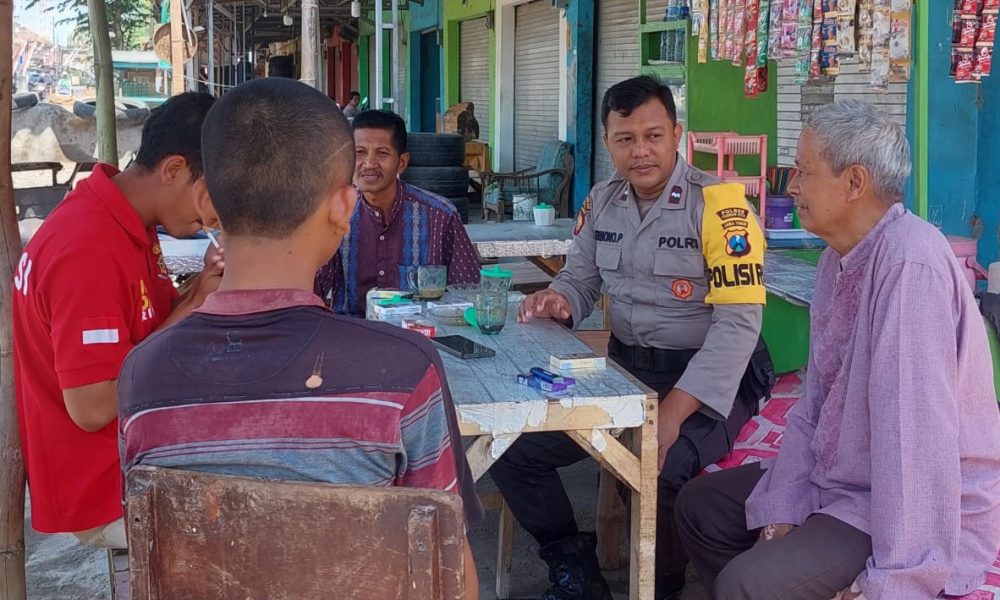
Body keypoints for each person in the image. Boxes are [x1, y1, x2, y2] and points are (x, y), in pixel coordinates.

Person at [117, 79, 483, 595]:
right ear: (344, 207)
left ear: (206, 202)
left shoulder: (142, 374)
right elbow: (449, 574)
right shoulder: (405, 372)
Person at [675, 100, 1000, 600]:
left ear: (854, 182)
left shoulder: (909, 266)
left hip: (900, 501)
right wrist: (784, 504)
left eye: (804, 172)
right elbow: (815, 400)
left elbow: (915, 440)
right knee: (701, 507)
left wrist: (896, 579)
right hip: (840, 474)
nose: (792, 186)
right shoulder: (837, 258)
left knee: (747, 583)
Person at [488, 75, 774, 600]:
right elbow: (579, 281)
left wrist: (674, 412)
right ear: (608, 143)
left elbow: (738, 326)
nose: (640, 151)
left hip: (711, 380)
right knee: (511, 449)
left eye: (653, 136)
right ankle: (574, 567)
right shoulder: (601, 201)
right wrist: (558, 300)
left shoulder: (722, 207)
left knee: (660, 466)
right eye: (625, 139)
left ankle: (661, 586)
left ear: (676, 135)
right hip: (626, 373)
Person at [12, 92, 221, 549]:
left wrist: (196, 293)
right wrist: (190, 309)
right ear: (174, 170)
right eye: (214, 194)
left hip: (129, 457)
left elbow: (148, 326)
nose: (216, 214)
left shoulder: (125, 217)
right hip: (107, 488)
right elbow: (91, 408)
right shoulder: (88, 247)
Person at [314, 110, 480, 317]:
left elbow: (469, 292)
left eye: (382, 153)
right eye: (360, 152)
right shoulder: (334, 216)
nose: (369, 163)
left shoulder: (440, 216)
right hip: (351, 332)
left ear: (402, 162)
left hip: (419, 332)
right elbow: (312, 289)